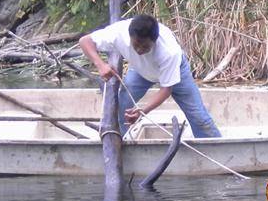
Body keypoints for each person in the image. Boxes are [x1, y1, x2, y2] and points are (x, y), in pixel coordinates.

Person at [78, 13, 221, 138]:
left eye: (145, 46)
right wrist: (101, 65)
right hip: (140, 71)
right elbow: (85, 41)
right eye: (136, 45)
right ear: (130, 36)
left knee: (199, 117)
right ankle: (121, 142)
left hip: (176, 73)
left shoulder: (169, 52)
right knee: (122, 106)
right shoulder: (118, 32)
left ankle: (214, 150)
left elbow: (166, 89)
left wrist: (143, 111)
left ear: (155, 41)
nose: (140, 50)